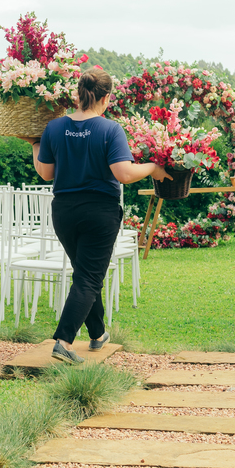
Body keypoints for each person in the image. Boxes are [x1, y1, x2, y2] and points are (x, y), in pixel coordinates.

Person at [31, 66, 170, 364]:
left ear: (79, 95)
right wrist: (154, 168)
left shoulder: (54, 128)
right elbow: (124, 173)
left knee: (85, 273)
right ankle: (64, 341)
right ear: (105, 97)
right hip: (99, 213)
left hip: (64, 212)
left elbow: (45, 173)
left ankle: (97, 333)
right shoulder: (110, 129)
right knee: (89, 277)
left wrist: (34, 145)